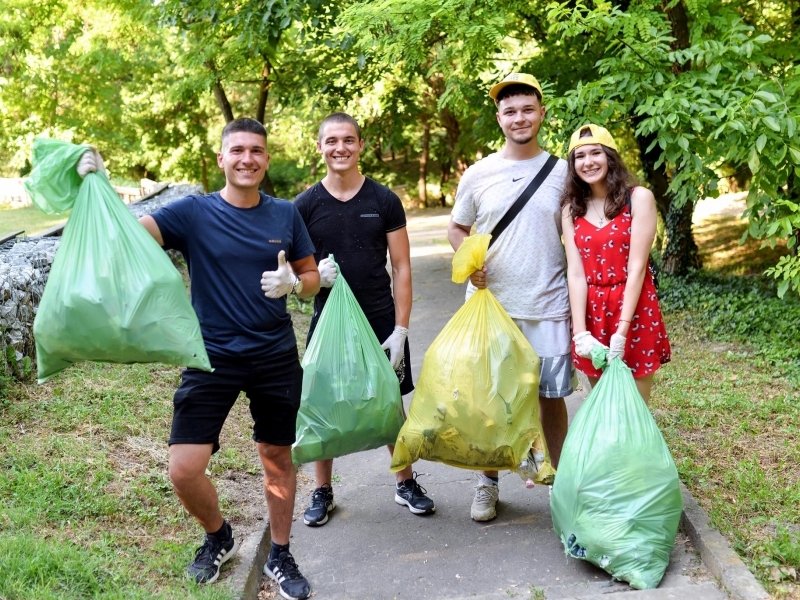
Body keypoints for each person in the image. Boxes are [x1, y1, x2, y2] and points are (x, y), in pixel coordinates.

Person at [77, 118, 319, 600]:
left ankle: (281, 551)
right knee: (184, 469)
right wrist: (97, 187)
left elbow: (312, 277)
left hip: (274, 354)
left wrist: (295, 282)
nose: (247, 158)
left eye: (256, 151)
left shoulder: (285, 215)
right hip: (211, 356)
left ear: (266, 159)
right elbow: (125, 236)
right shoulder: (193, 213)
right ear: (221, 158)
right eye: (238, 151)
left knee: (276, 457)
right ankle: (218, 535)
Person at [293, 112, 435, 527]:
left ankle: (405, 481)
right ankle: (322, 490)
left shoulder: (383, 200)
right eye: (332, 140)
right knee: (325, 403)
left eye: (349, 140)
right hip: (329, 320)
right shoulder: (304, 205)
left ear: (361, 145)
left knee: (390, 402)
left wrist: (402, 328)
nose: (341, 148)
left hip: (380, 321)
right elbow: (296, 274)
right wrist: (315, 278)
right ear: (319, 147)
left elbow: (402, 267)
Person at [447, 74, 572, 522]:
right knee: (490, 397)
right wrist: (467, 260)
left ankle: (559, 481)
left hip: (549, 303)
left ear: (541, 113)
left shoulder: (564, 171)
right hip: (490, 307)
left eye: (527, 109)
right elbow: (458, 227)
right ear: (499, 118)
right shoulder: (479, 174)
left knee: (550, 396)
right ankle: (488, 483)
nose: (519, 118)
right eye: (510, 111)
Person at [561, 124, 671, 402]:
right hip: (593, 313)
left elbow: (637, 268)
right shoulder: (570, 209)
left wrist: (622, 331)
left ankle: (639, 448)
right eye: (580, 156)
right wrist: (580, 332)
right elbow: (575, 273)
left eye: (595, 153)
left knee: (635, 405)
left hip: (634, 310)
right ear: (573, 165)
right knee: (604, 407)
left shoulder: (638, 198)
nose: (588, 162)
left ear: (609, 156)